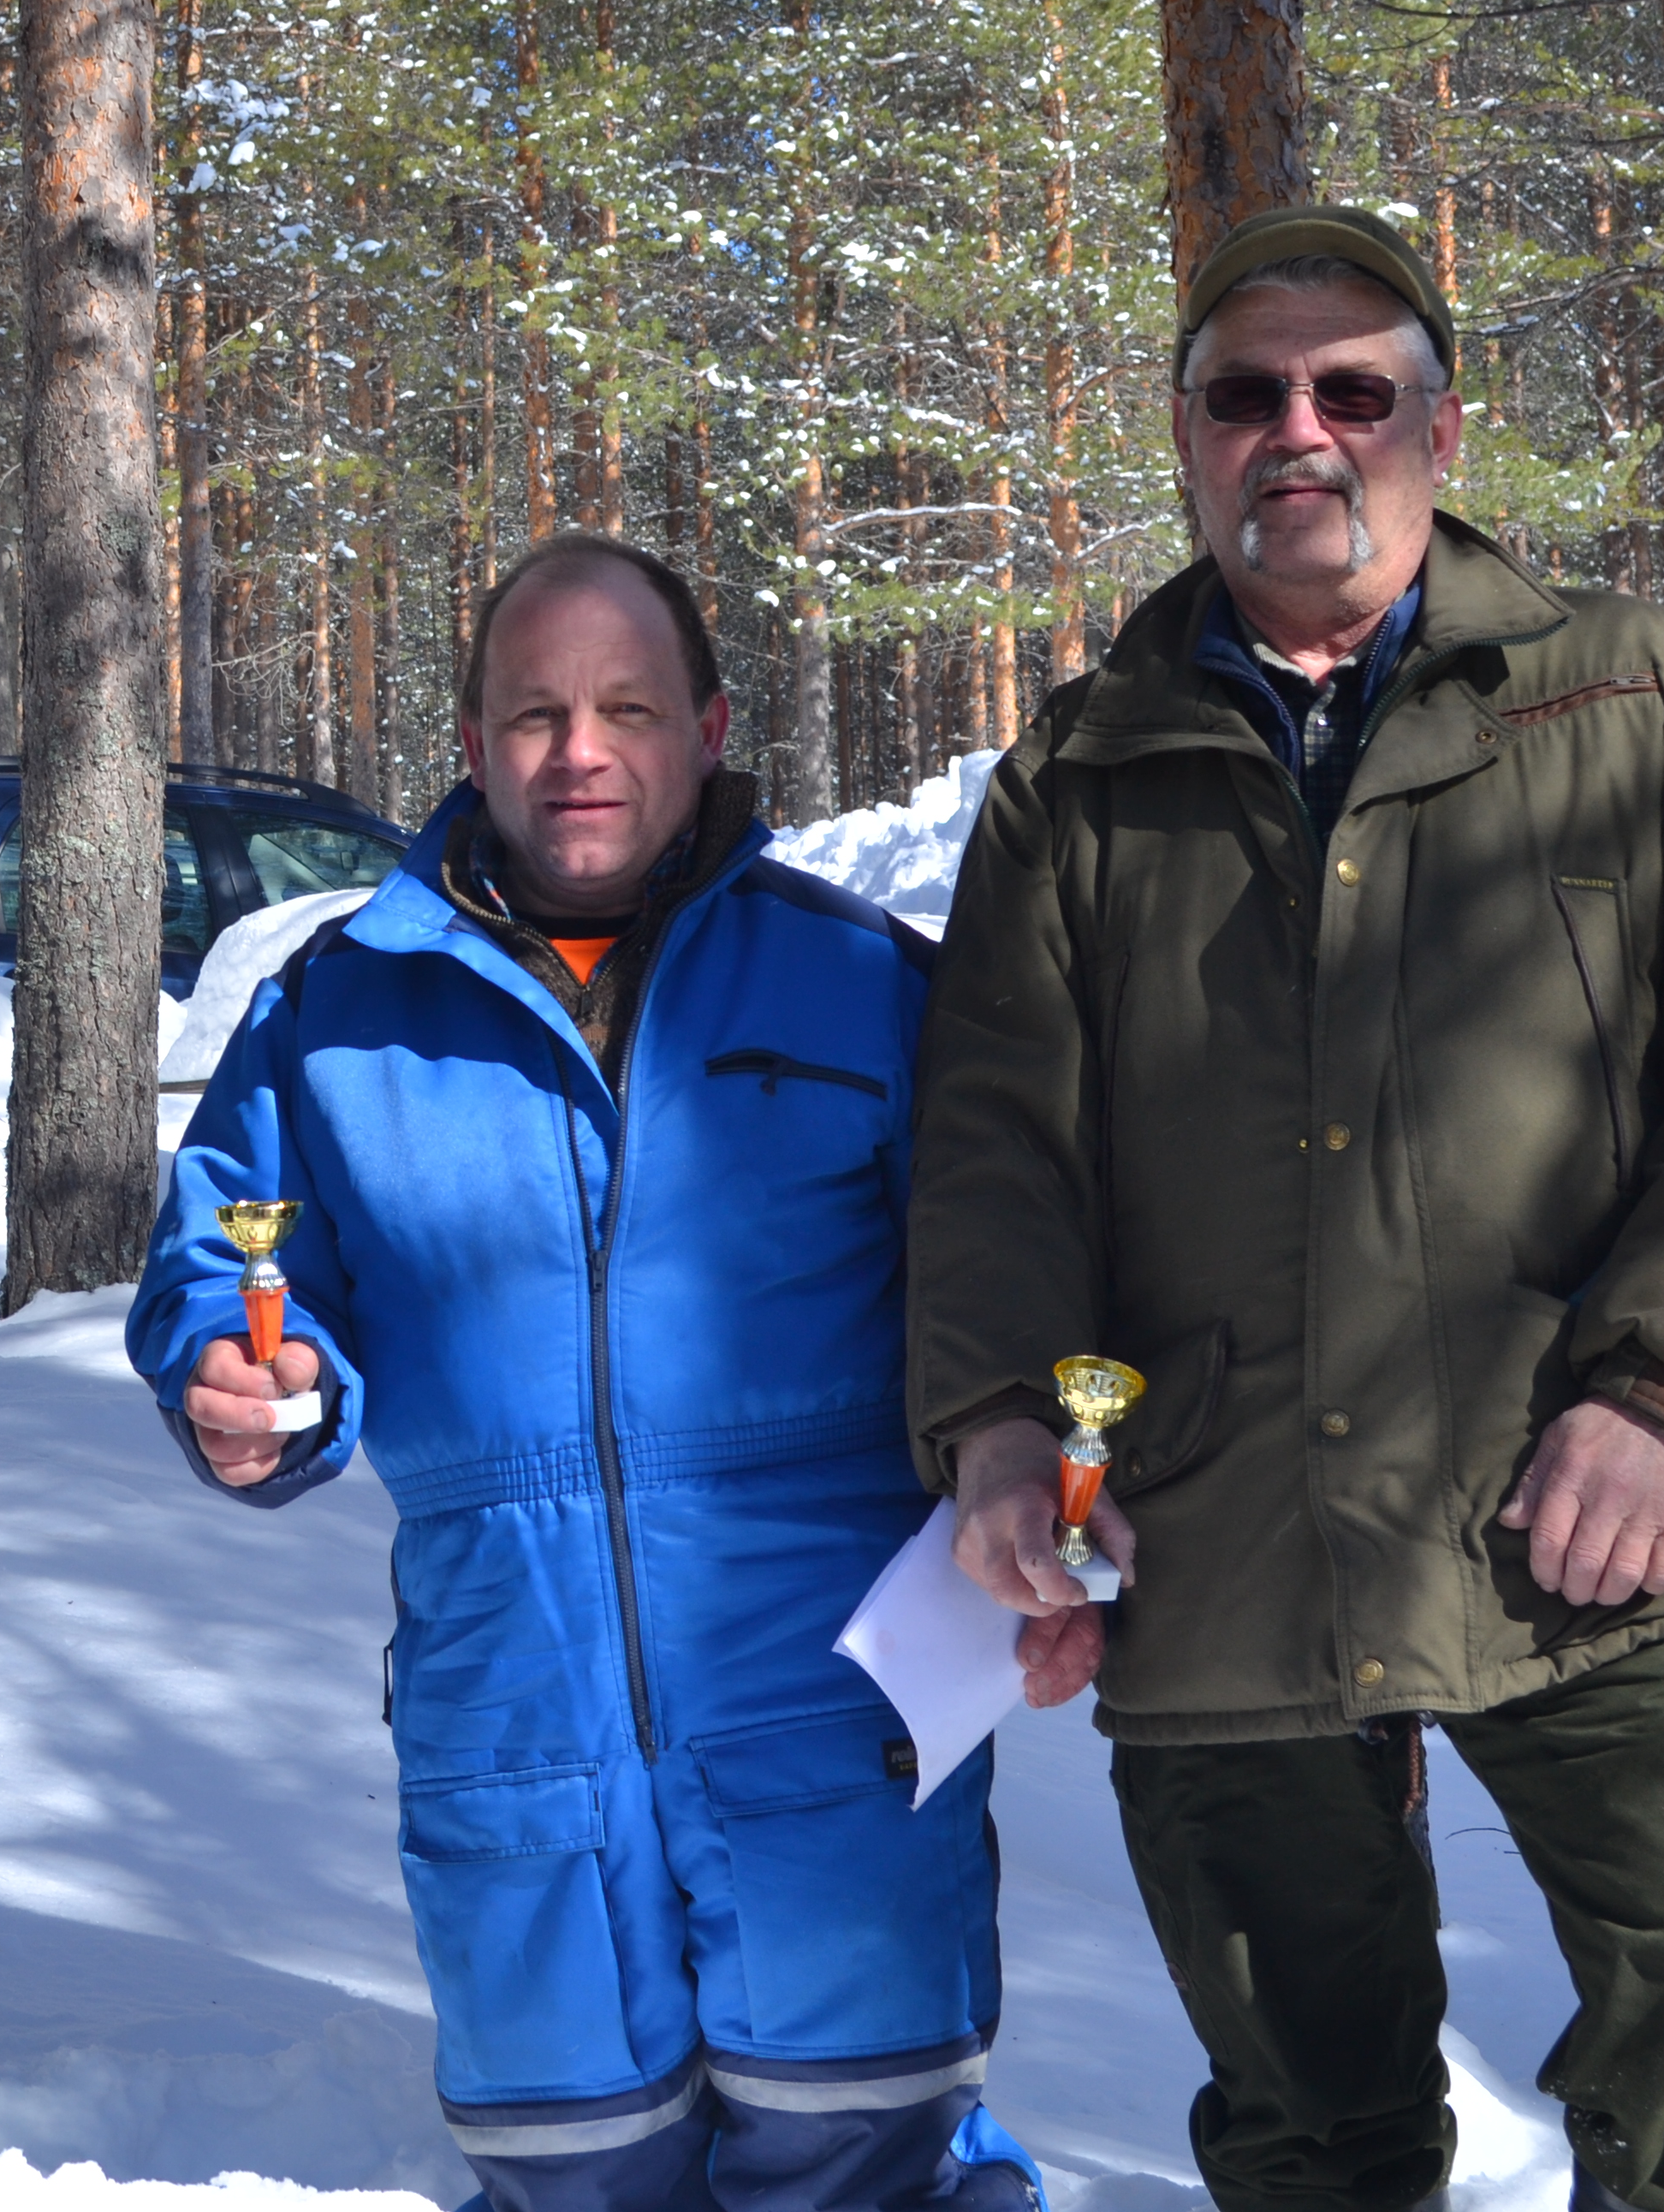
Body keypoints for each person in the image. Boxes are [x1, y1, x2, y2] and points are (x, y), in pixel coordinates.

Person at [910, 203, 1664, 2212]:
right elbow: (1000, 1147)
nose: (1302, 433)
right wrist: (1003, 1429)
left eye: (1354, 390)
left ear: (1441, 428)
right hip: (1220, 1539)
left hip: (1587, 1513)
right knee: (1308, 2126)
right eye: (1246, 395)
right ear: (1187, 438)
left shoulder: (1629, 697)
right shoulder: (1079, 780)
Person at [129, 532, 1044, 2212]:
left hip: (835, 1712)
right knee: (572, 2171)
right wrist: (247, 1380)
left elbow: (1009, 1279)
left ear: (705, 726)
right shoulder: (338, 1012)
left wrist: (1031, 1467)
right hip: (512, 1713)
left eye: (627, 706)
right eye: (533, 712)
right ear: (472, 744)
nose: (580, 750)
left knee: (874, 2162)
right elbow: (232, 1263)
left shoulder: (862, 986)